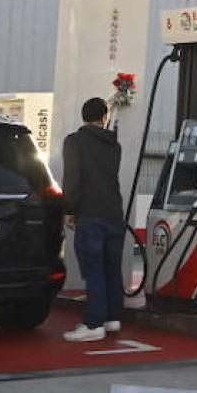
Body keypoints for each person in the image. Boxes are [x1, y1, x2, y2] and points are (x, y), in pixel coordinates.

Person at [61, 97, 126, 342]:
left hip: (90, 214)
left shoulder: (75, 142)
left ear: (83, 116)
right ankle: (112, 318)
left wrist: (70, 209)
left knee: (94, 269)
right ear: (104, 117)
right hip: (114, 213)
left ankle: (93, 323)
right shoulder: (114, 144)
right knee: (111, 268)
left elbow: (72, 179)